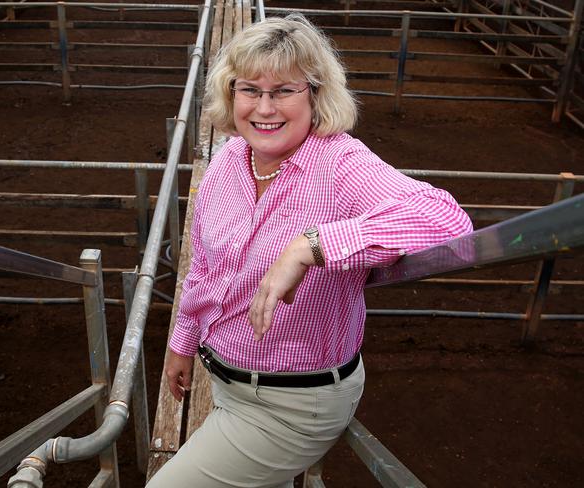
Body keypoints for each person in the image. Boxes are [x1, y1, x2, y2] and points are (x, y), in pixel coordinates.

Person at [147, 14, 472, 488]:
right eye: (249, 89)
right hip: (228, 383)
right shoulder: (227, 162)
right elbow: (204, 269)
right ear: (229, 94)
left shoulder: (340, 164)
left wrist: (312, 245)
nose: (264, 107)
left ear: (315, 95)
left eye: (283, 90)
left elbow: (446, 221)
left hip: (291, 403)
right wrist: (181, 344)